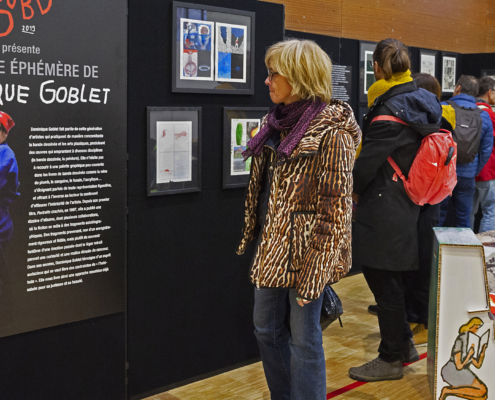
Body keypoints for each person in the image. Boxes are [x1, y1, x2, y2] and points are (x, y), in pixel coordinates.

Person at [236, 39, 361, 399]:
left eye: (275, 73)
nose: (267, 80)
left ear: (300, 78)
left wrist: (316, 273)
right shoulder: (274, 125)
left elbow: (336, 208)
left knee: (305, 340)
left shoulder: (331, 131)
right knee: (265, 329)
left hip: (309, 254)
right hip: (274, 248)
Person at [350, 38, 442, 382]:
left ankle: (390, 358)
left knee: (382, 280)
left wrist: (351, 191)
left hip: (383, 206)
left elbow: (366, 164)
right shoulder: (424, 102)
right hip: (410, 203)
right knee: (393, 281)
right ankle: (403, 345)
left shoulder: (390, 111)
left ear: (377, 67)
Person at [438, 75, 493, 228]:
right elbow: (486, 151)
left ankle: (434, 251)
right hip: (467, 174)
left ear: (458, 88)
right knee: (464, 219)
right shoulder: (484, 116)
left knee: (439, 217)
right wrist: (474, 169)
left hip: (443, 173)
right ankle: (463, 251)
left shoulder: (442, 108)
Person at [438, 317, 488, 400]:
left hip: (462, 371)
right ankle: (447, 391)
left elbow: (478, 365)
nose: (477, 331)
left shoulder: (473, 341)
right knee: (482, 390)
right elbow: (458, 366)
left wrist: (482, 351)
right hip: (451, 370)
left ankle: (449, 391)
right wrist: (469, 355)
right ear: (471, 326)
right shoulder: (460, 339)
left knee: (483, 397)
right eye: (476, 328)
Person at [0, 111, 19, 324]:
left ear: (4, 133)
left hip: (0, 225)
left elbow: (8, 189)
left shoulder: (6, 155)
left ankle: (7, 316)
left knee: (2, 275)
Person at [471, 76, 495, 233]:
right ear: (489, 92)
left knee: (469, 213)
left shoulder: (469, 110)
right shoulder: (490, 115)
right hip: (488, 170)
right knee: (490, 212)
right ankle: (485, 253)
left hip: (469, 169)